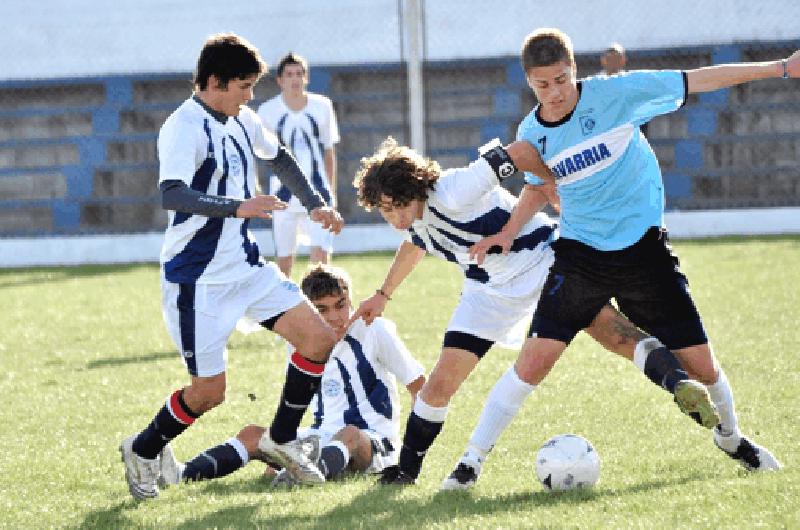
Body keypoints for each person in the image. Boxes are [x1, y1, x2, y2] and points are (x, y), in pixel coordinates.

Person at [459, 27, 791, 487]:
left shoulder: (617, 95)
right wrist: (507, 231)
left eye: (561, 80)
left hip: (644, 255)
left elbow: (699, 79)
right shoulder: (531, 132)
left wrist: (778, 68)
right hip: (579, 258)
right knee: (532, 362)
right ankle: (470, 463)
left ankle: (732, 438)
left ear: (573, 70)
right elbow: (538, 188)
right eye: (542, 85)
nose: (554, 93)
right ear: (529, 83)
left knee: (704, 368)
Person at [350, 136, 719, 487]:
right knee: (439, 386)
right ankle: (407, 472)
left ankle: (679, 384)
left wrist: (548, 185)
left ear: (415, 188)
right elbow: (416, 244)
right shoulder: (414, 218)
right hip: (487, 291)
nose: (394, 217)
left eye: (396, 206)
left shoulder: (456, 189)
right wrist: (383, 294)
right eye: (384, 211)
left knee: (615, 333)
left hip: (544, 262)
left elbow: (521, 151)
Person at [119, 33, 345, 500]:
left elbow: (278, 155)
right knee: (208, 393)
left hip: (246, 268)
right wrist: (236, 206)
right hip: (197, 280)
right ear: (215, 82)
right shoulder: (182, 126)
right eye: (243, 86)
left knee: (319, 338)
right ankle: (143, 449)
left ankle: (280, 440)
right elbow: (172, 194)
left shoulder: (243, 119)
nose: (251, 96)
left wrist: (315, 203)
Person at [156, 264, 426, 487]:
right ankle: (181, 475)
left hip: (375, 443)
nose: (335, 317)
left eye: (341, 305)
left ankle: (303, 477)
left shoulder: (375, 330)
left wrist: (412, 455)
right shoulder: (304, 342)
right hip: (321, 436)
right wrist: (280, 449)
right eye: (322, 310)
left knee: (350, 434)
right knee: (253, 435)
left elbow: (419, 387)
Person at [258, 52, 340, 277]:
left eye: (299, 73)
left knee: (321, 260)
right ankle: (286, 309)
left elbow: (328, 150)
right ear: (280, 80)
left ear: (306, 78)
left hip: (318, 192)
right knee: (284, 262)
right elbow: (260, 153)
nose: (295, 79)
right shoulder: (267, 111)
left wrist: (330, 192)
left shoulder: (322, 106)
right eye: (289, 74)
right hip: (283, 196)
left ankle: (320, 308)